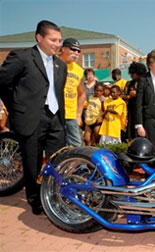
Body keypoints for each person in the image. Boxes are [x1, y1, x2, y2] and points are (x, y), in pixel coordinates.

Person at [0, 20, 67, 215]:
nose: (57, 44)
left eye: (59, 40)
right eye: (53, 40)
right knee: (33, 162)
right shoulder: (21, 57)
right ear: (39, 38)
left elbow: (57, 92)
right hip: (31, 118)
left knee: (57, 161)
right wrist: (15, 107)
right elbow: (3, 83)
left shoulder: (60, 65)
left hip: (55, 118)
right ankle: (35, 199)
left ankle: (53, 197)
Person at [59, 38, 86, 147]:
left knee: (76, 147)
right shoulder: (53, 64)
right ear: (63, 49)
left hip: (71, 116)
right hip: (55, 115)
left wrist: (78, 115)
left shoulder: (79, 70)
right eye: (73, 49)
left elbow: (82, 93)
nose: (76, 53)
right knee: (55, 147)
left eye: (78, 51)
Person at [123, 62, 147, 140]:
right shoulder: (130, 83)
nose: (131, 75)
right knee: (131, 133)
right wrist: (128, 96)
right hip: (132, 111)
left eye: (133, 73)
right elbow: (124, 95)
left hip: (143, 111)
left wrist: (137, 94)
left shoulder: (146, 82)